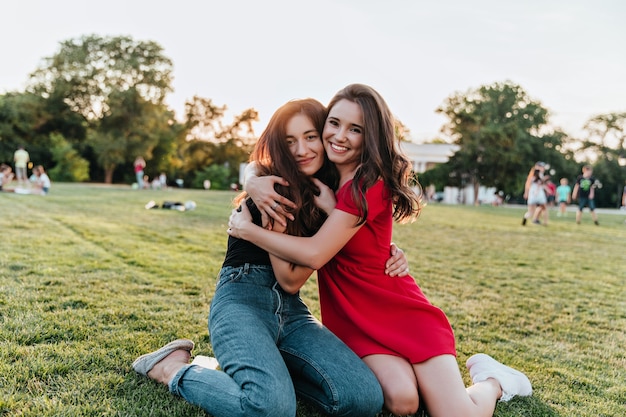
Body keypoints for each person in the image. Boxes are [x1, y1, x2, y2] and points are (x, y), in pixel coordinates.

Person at [229, 84, 532, 416]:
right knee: (403, 402)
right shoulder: (323, 175)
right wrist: (252, 179)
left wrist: (249, 231)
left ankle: (492, 381)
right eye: (334, 123)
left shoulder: (369, 184)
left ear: (369, 135)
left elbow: (317, 253)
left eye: (355, 129)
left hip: (399, 311)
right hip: (354, 318)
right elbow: (271, 160)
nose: (339, 136)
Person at [133, 99, 410, 417]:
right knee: (270, 410)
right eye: (289, 141)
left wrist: (391, 250)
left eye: (310, 137)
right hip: (241, 301)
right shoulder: (272, 187)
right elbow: (289, 277)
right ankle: (171, 369)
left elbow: (311, 267)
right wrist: (254, 185)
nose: (301, 150)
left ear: (324, 138)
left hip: (291, 312)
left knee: (363, 398)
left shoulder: (328, 195)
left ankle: (271, 369)